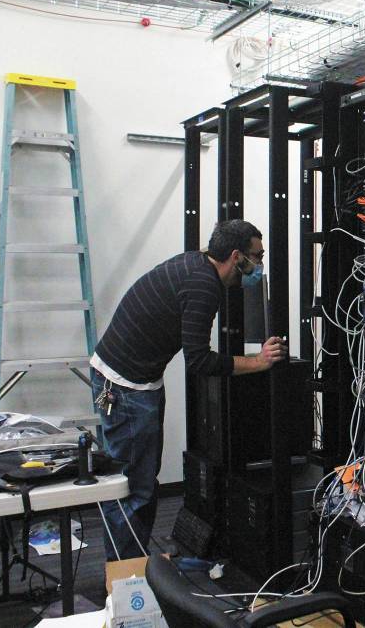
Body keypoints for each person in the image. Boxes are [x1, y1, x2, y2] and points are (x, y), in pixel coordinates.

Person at [90, 219, 287, 560]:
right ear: (237, 256)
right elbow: (197, 360)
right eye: (257, 256)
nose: (259, 265)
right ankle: (125, 577)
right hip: (126, 387)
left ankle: (131, 565)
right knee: (135, 488)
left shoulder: (196, 264)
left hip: (132, 379)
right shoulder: (204, 285)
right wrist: (257, 362)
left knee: (140, 482)